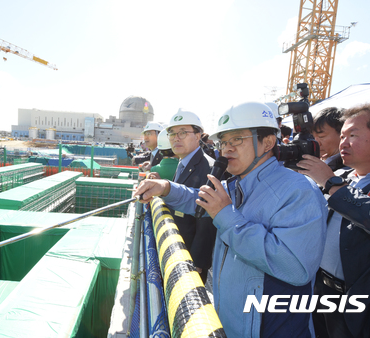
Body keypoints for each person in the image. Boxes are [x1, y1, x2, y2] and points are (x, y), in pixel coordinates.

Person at [134, 101, 328, 338]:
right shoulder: (237, 183)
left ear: (267, 142)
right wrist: (164, 187)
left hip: (270, 328)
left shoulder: (298, 190)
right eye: (223, 141)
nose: (227, 149)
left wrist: (225, 215)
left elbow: (295, 267)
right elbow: (199, 198)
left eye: (237, 139)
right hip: (232, 321)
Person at [297, 101, 370, 338]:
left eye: (353, 135)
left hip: (368, 305)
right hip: (322, 291)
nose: (343, 143)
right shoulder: (342, 176)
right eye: (341, 136)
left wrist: (330, 184)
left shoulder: (335, 181)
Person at [166, 108, 216, 283]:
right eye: (171, 133)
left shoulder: (210, 169)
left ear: (198, 135)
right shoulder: (182, 163)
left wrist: (198, 260)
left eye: (183, 132)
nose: (176, 138)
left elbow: (208, 219)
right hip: (176, 248)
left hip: (190, 258)